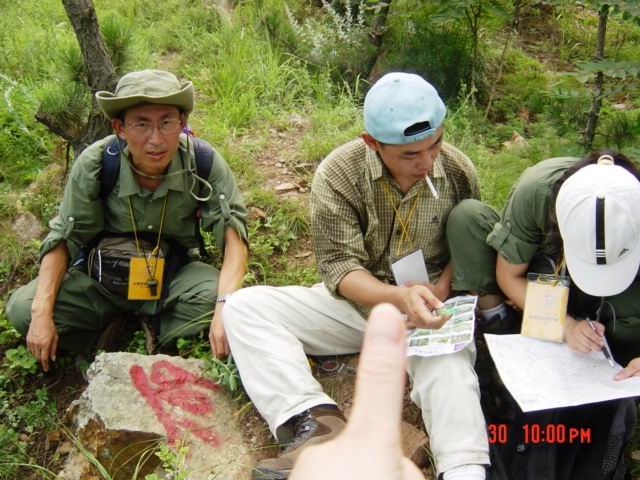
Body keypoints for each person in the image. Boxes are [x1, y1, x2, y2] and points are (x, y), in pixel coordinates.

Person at [224, 72, 490, 480]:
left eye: (434, 144)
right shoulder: (340, 173)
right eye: (409, 154)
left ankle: (463, 470)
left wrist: (442, 286)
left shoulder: (455, 169)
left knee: (449, 368)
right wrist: (397, 298)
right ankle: (314, 421)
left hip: (429, 310)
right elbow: (341, 268)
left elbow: (464, 239)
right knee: (245, 307)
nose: (426, 162)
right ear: (372, 142)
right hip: (358, 305)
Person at [6, 69, 249, 371]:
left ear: (182, 122)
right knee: (22, 310)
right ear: (120, 127)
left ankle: (149, 325)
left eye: (166, 122)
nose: (156, 139)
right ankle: (110, 324)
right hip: (101, 280)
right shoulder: (97, 163)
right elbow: (66, 237)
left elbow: (234, 235)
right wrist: (41, 312)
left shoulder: (202, 161)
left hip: (171, 276)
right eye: (142, 124)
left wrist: (224, 307)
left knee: (225, 300)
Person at [448, 151, 640, 479]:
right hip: (549, 280)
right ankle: (503, 331)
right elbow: (510, 275)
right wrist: (565, 325)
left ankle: (616, 355)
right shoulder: (538, 192)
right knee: (468, 218)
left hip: (619, 298)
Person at [289, 303, 426, 480]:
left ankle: (457, 468)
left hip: (431, 317)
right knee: (252, 305)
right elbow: (342, 283)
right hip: (357, 311)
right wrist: (400, 297)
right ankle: (316, 420)